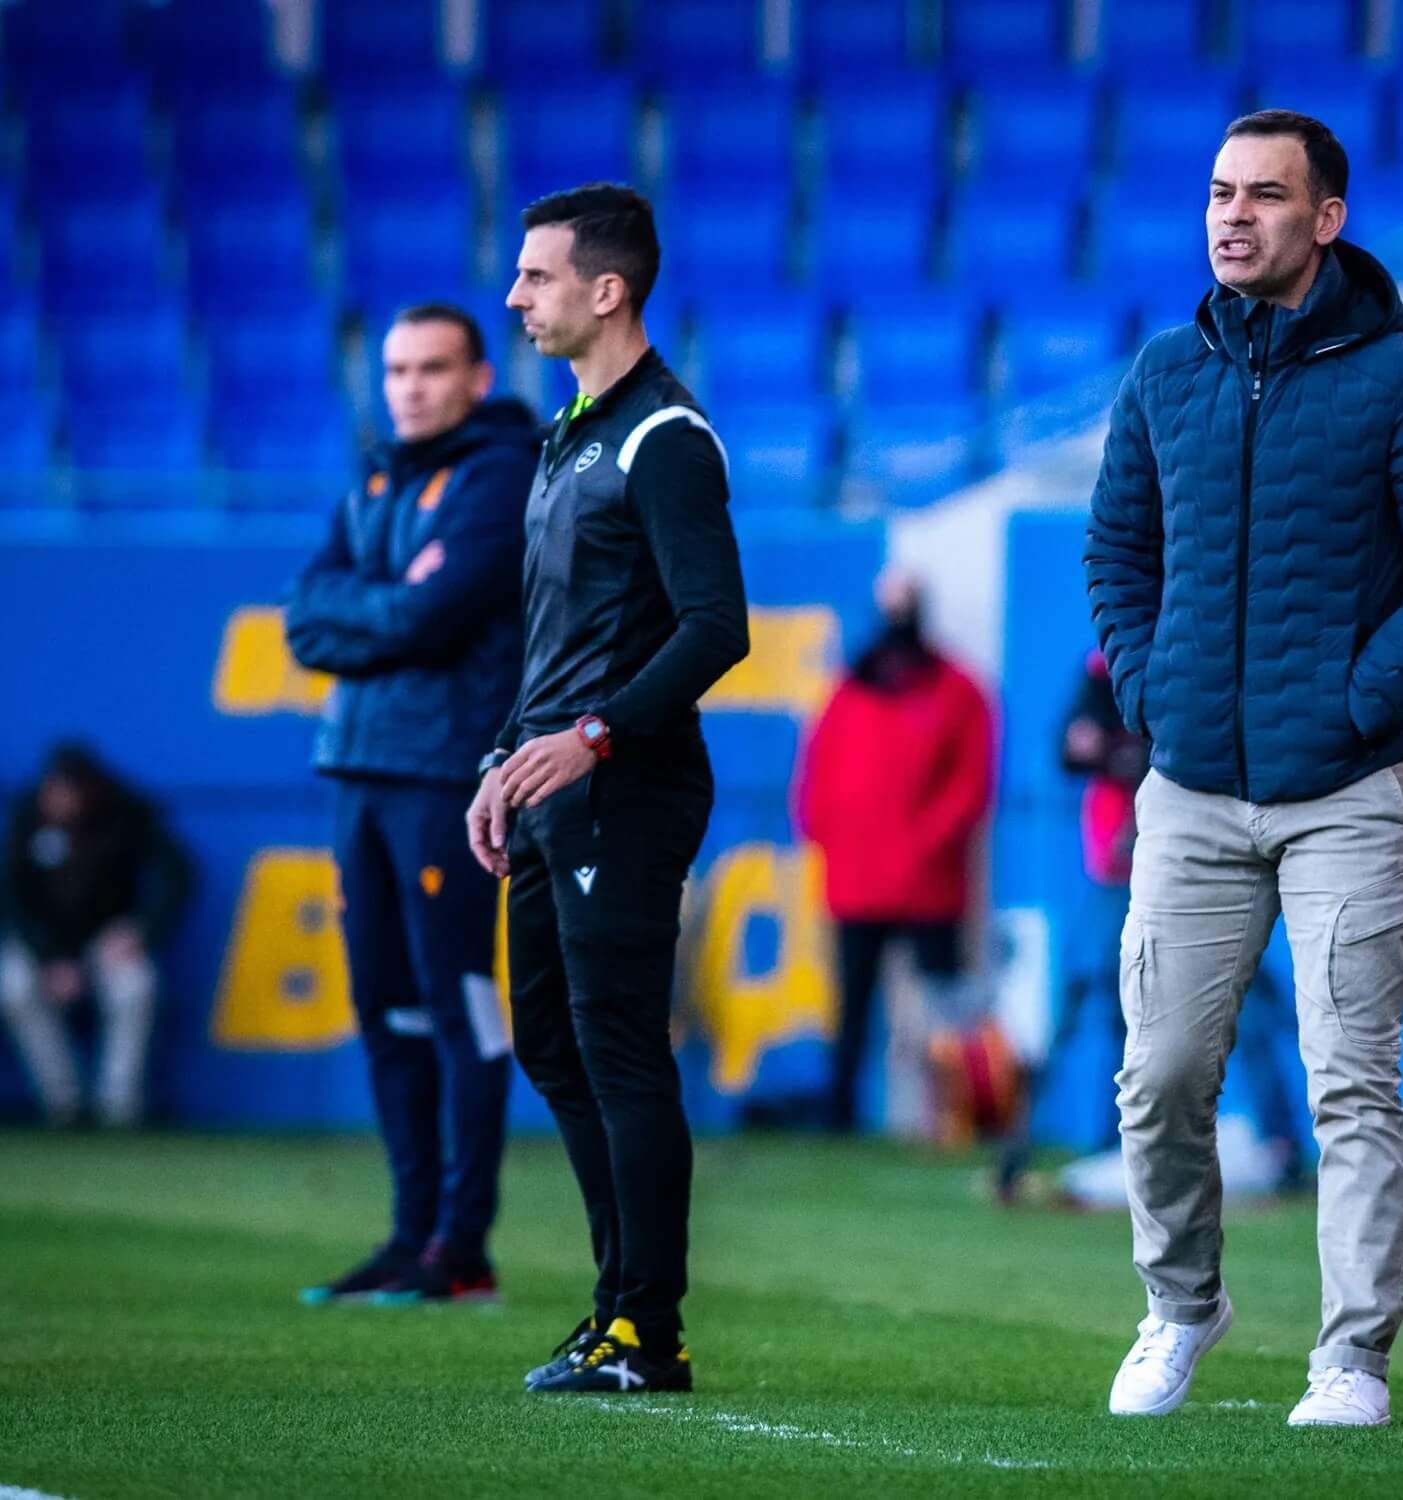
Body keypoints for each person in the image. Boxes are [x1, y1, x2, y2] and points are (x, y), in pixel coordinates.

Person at [1084, 110, 1403, 1428]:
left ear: (1327, 219)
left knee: (1351, 1085)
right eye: (1220, 193)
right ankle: (1180, 1307)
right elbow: (1116, 555)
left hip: (1349, 794)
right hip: (1191, 789)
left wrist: (1357, 701)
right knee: (1158, 1078)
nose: (1234, 216)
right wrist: (1151, 693)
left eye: (1265, 196)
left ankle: (1352, 1360)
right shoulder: (1164, 373)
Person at [467, 184, 749, 1396]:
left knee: (619, 1048)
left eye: (535, 277)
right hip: (549, 784)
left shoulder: (664, 437)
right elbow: (553, 637)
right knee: (550, 1042)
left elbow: (716, 626)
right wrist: (504, 757)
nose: (515, 298)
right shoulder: (572, 430)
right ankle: (614, 1308)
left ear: (608, 288)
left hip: (625, 789)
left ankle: (648, 1332)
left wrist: (591, 736)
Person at [285, 304, 538, 1306]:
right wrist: (385, 607)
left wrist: (371, 609)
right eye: (396, 370)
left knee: (454, 1002)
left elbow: (435, 614)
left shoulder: (498, 473)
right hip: (359, 767)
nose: (412, 388)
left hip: (444, 773)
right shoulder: (378, 473)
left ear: (478, 377)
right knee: (385, 1009)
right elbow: (305, 619)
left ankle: (462, 1247)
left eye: (433, 368)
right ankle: (409, 1234)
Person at [995, 651, 1302, 1201]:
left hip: (1202, 858)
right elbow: (1073, 749)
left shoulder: (1203, 657)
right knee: (1110, 1005)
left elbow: (1200, 750)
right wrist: (1133, 755)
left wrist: (1127, 754)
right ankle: (1102, 1145)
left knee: (1246, 1000)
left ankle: (1281, 1147)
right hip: (1122, 869)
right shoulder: (1107, 667)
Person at [794, 570, 996, 1134]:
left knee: (945, 1003)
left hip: (928, 884)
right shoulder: (849, 691)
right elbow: (815, 779)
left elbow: (970, 786)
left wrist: (924, 843)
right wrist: (830, 838)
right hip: (857, 880)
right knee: (853, 1003)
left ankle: (959, 1113)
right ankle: (839, 1113)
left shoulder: (958, 691)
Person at [0, 742, 189, 1128]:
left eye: (68, 790)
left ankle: (118, 1106)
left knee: (135, 986)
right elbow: (6, 896)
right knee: (12, 987)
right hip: (41, 939)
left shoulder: (125, 812)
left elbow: (178, 875)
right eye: (53, 789)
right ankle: (64, 1102)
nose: (59, 800)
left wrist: (142, 931)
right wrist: (49, 957)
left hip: (105, 936)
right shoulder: (27, 815)